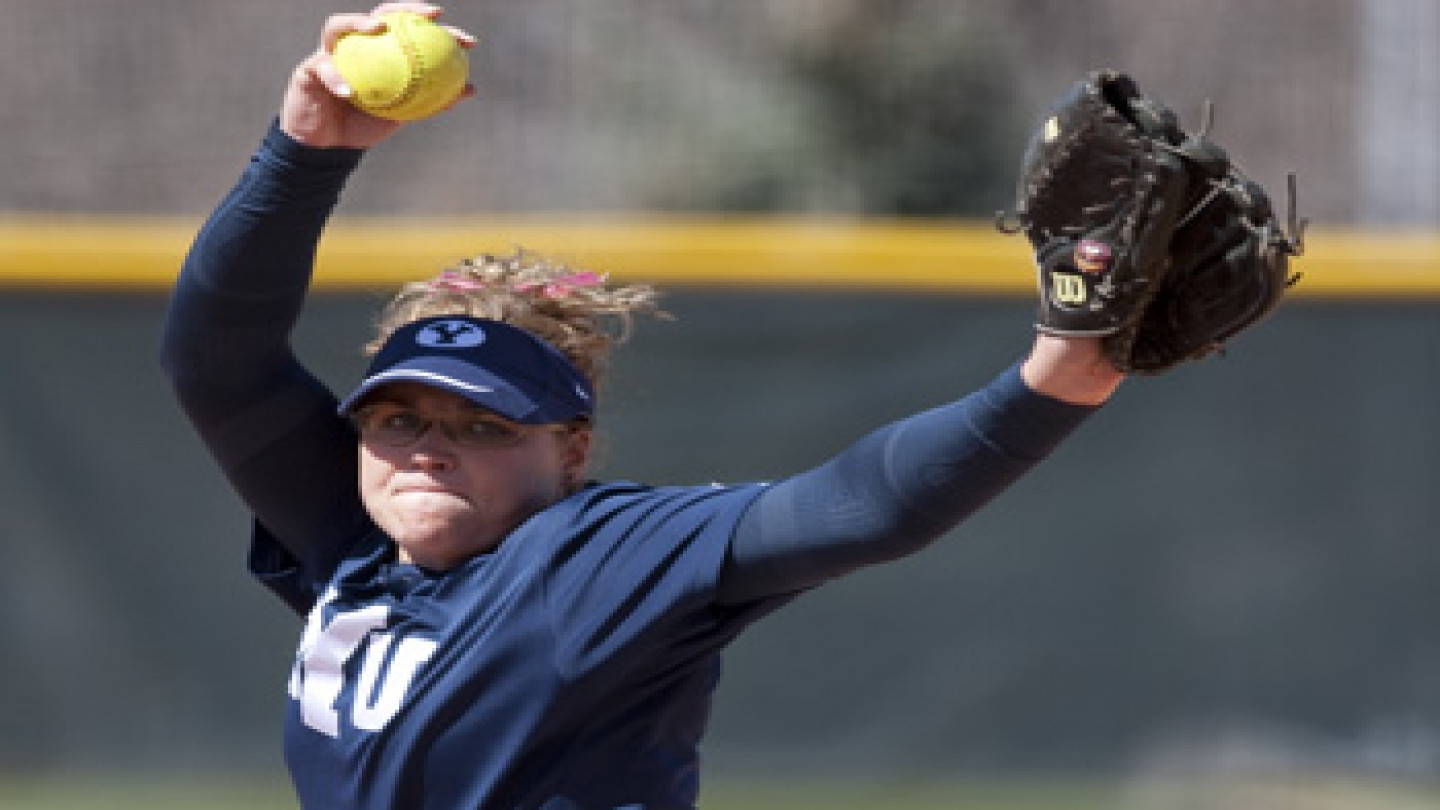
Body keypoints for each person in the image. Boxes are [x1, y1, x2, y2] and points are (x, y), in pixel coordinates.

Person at [160, 4, 1124, 808]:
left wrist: (1057, 378)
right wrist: (303, 151)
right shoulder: (352, 540)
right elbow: (214, 361)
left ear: (570, 453)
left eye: (483, 425)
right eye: (397, 418)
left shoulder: (595, 560)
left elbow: (864, 505)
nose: (427, 448)